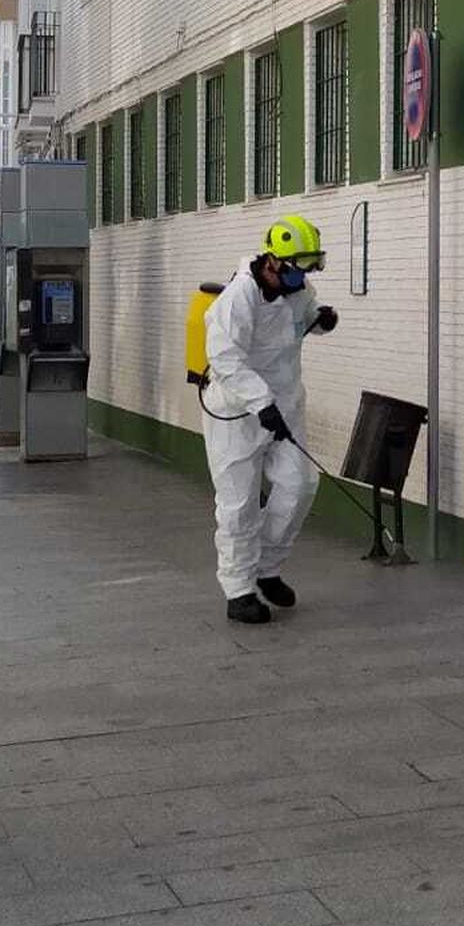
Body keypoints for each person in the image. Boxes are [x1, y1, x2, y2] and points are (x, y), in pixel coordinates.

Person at [202, 215, 338, 624]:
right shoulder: (239, 297)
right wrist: (261, 402)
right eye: (299, 269)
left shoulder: (296, 287)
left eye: (310, 269)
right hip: (237, 414)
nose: (305, 278)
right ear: (273, 263)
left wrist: (322, 320)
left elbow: (304, 314)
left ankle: (267, 568)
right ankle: (239, 589)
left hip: (285, 407)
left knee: (299, 485)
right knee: (239, 504)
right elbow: (224, 358)